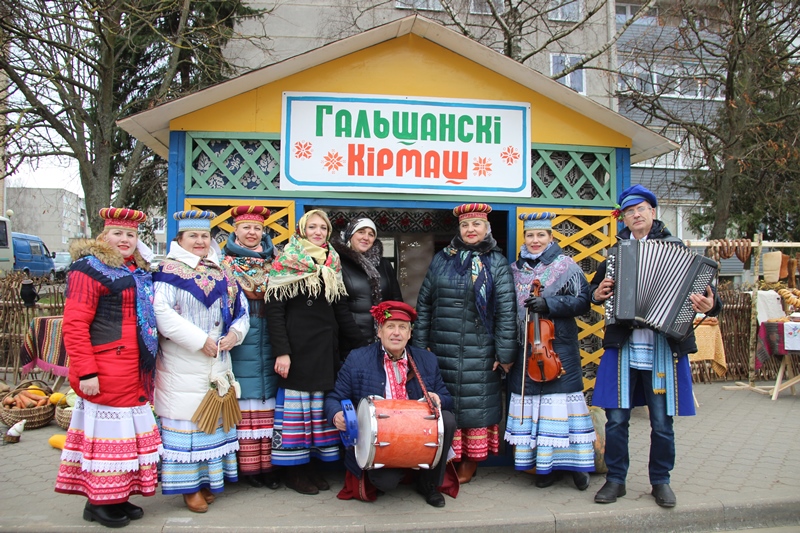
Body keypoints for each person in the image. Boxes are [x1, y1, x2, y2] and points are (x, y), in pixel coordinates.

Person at [589, 185, 721, 508]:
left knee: (661, 422)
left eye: (640, 209)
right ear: (623, 218)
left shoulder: (676, 248)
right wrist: (597, 294)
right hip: (623, 346)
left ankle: (660, 481)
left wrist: (710, 305)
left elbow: (709, 295)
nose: (635, 215)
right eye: (629, 211)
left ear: (652, 212)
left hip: (663, 347)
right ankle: (616, 479)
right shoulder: (616, 253)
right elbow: (595, 291)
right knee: (616, 420)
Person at [55, 208, 160, 529]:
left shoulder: (135, 270)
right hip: (106, 366)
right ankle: (99, 502)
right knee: (108, 437)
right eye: (118, 233)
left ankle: (116, 495)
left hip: (131, 369)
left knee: (125, 439)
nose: (125, 240)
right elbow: (75, 324)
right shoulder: (89, 269)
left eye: (131, 235)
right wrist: (86, 371)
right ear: (104, 236)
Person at [265, 209, 368, 495]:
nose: (318, 232)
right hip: (297, 350)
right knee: (298, 413)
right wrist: (282, 352)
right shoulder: (286, 261)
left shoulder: (332, 262)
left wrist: (363, 344)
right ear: (302, 230)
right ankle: (294, 472)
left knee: (318, 412)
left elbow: (341, 310)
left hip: (324, 349)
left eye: (323, 228)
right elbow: (275, 311)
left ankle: (311, 467)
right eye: (312, 227)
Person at [153, 210, 250, 513]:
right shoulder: (168, 271)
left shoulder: (222, 272)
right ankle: (188, 486)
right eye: (193, 236)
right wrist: (199, 340)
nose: (199, 241)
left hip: (218, 358)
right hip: (183, 359)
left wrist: (235, 334)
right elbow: (161, 313)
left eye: (204, 235)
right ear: (180, 239)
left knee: (212, 424)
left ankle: (206, 480)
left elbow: (241, 310)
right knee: (188, 421)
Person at [413, 203, 517, 484]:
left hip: (480, 350)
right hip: (442, 346)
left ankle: (470, 460)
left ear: (486, 228)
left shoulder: (496, 262)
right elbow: (425, 303)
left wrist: (505, 353)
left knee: (475, 406)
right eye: (465, 225)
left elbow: (507, 311)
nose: (470, 230)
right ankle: (446, 458)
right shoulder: (442, 259)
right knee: (444, 404)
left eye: (476, 224)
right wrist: (420, 348)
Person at [324, 301, 456, 507]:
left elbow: (447, 399)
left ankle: (429, 483)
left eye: (402, 327)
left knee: (447, 420)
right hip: (382, 441)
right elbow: (334, 397)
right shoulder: (357, 359)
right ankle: (401, 471)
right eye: (390, 326)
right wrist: (336, 415)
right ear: (379, 332)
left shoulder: (426, 360)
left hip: (419, 435)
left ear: (409, 334)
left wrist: (438, 399)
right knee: (386, 482)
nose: (396, 333)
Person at [504, 212, 596, 491]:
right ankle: (544, 467)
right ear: (524, 238)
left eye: (540, 235)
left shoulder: (566, 265)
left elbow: (583, 301)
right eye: (530, 235)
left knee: (562, 408)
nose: (535, 240)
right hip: (526, 349)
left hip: (558, 348)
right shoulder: (514, 270)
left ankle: (578, 466)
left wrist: (550, 305)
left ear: (550, 237)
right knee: (536, 411)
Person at [221, 205, 280, 489]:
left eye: (257, 228)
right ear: (236, 230)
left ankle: (270, 465)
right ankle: (248, 467)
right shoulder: (224, 264)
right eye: (246, 227)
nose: (252, 233)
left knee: (269, 399)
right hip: (240, 338)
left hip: (271, 334)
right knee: (246, 399)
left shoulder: (276, 262)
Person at [330, 217, 403, 348]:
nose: (366, 237)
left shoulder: (384, 264)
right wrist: (359, 341)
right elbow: (340, 309)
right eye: (361, 232)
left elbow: (396, 301)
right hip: (350, 342)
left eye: (371, 234)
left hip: (384, 341)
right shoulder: (337, 263)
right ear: (350, 235)